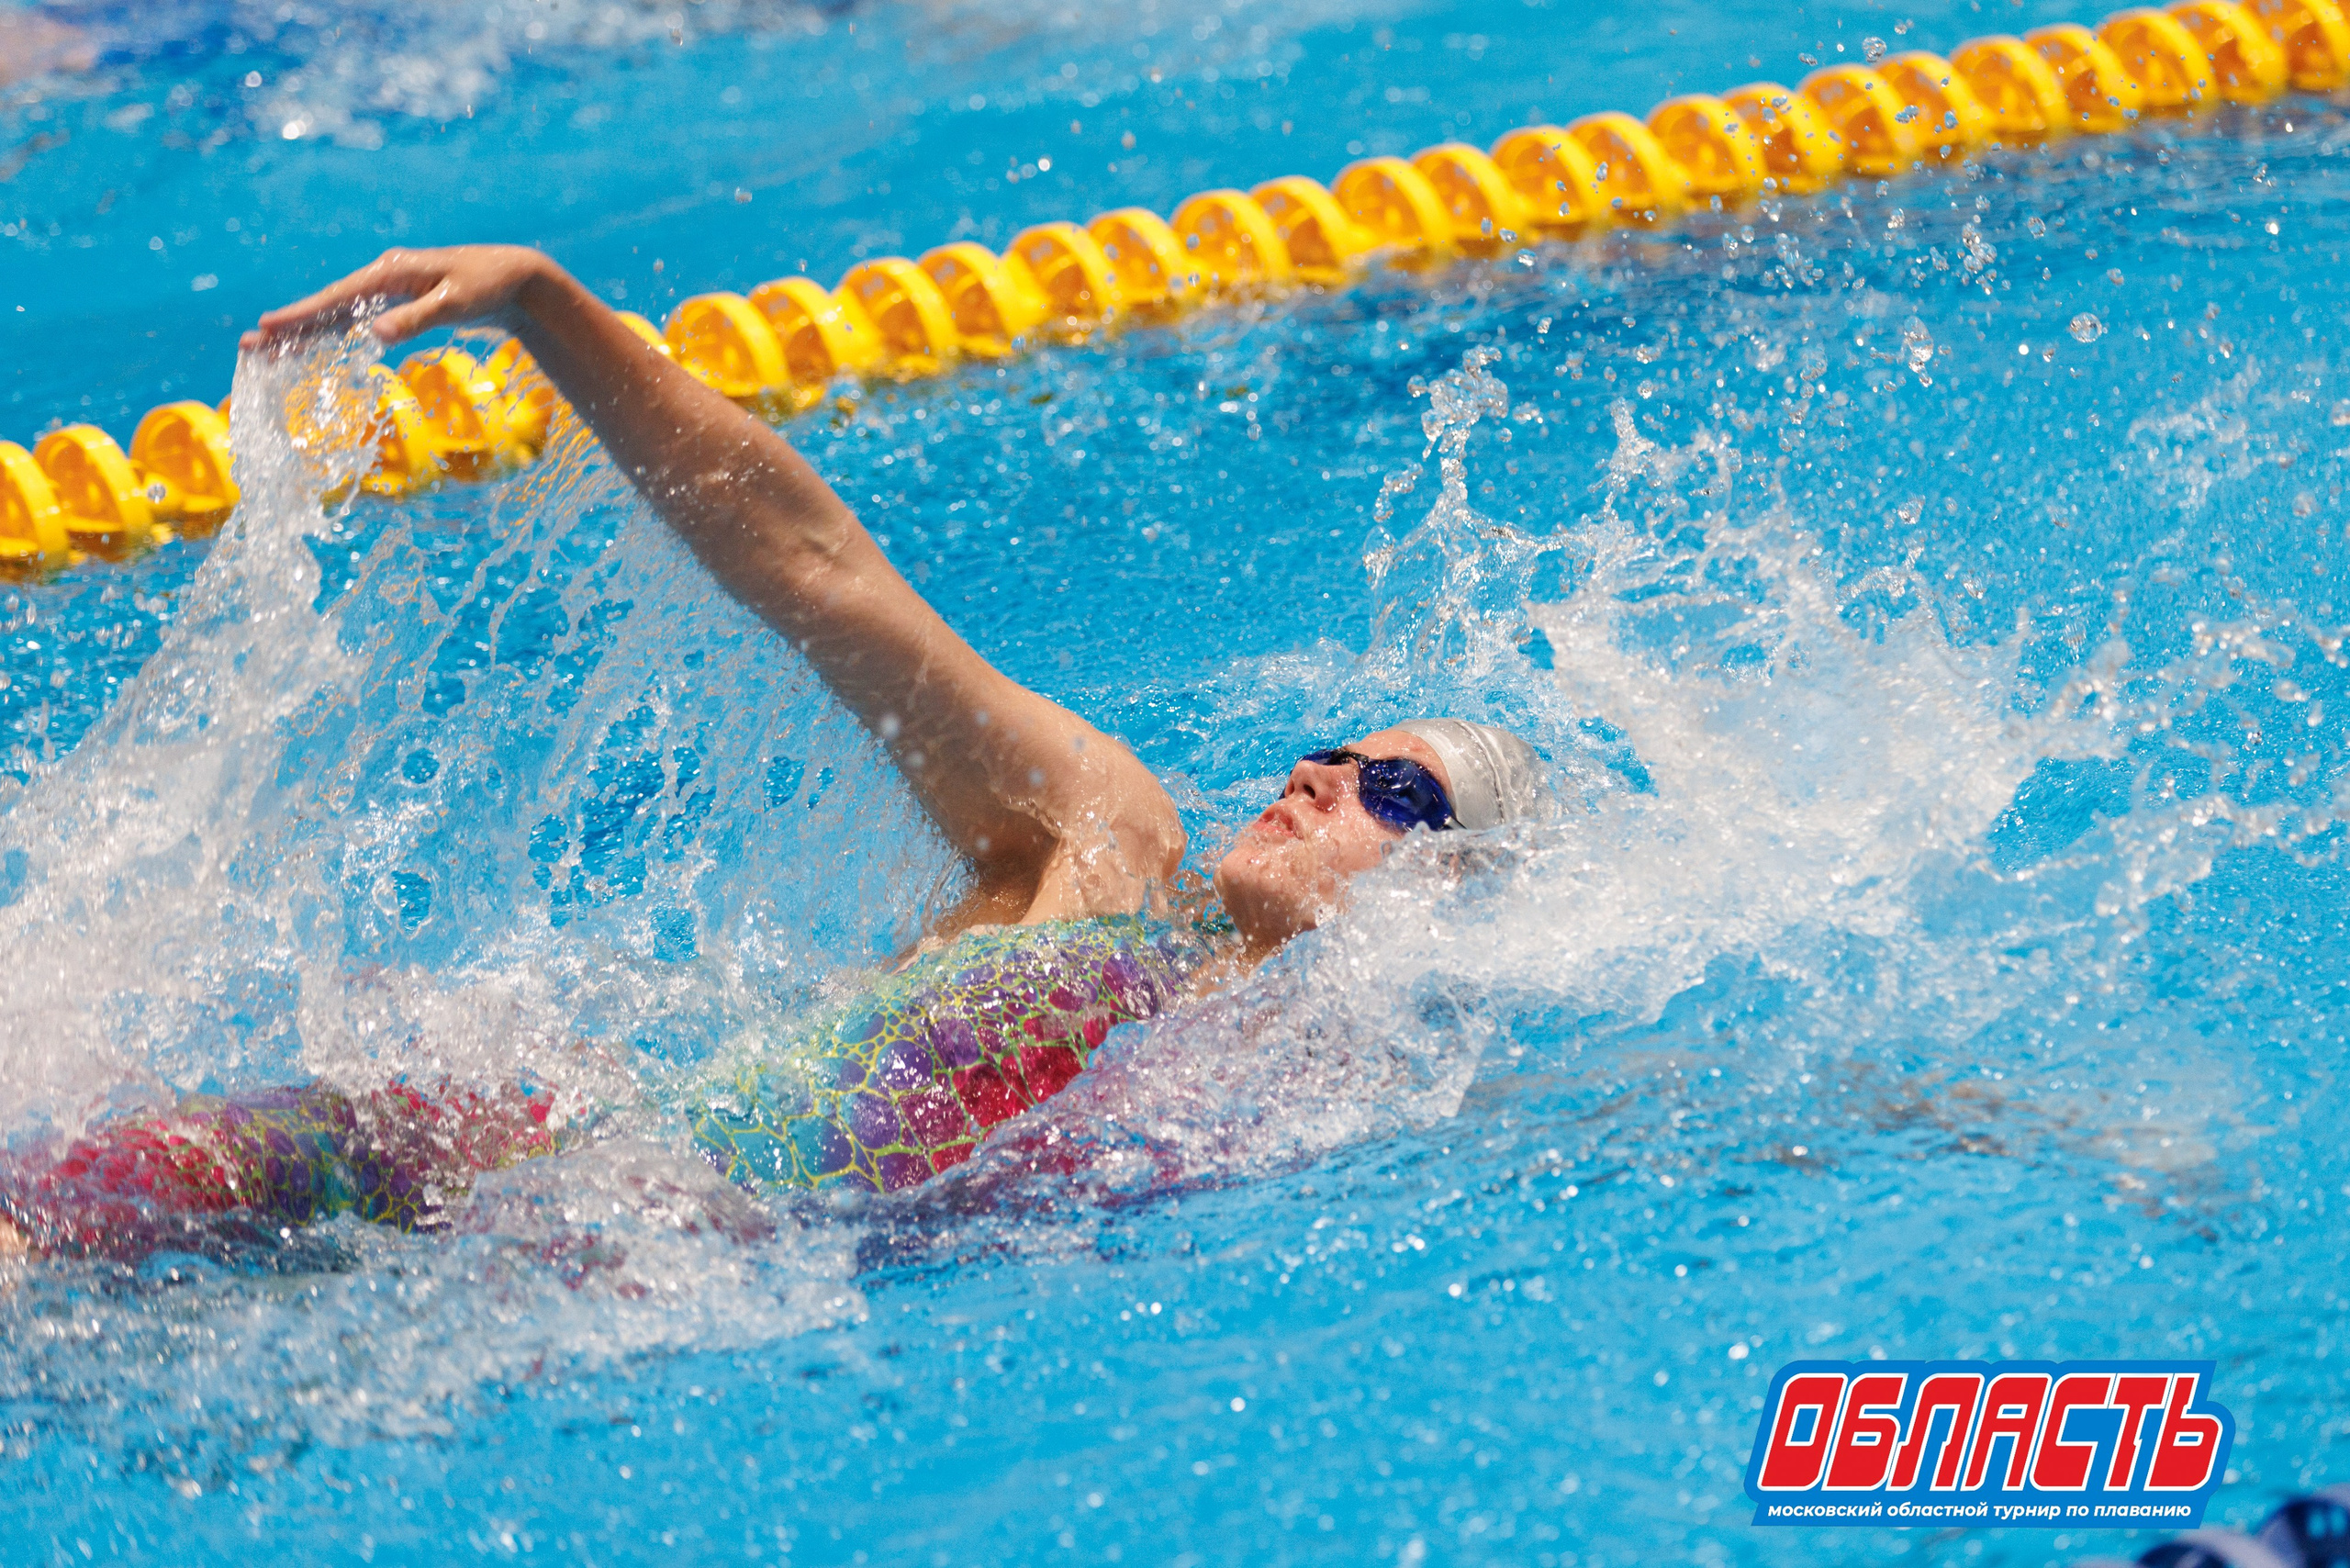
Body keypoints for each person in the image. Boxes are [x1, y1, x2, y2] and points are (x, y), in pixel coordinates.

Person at [0, 246, 1545, 1262]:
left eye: (1394, 793)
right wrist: (547, 305)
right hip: (593, 1162)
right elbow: (823, 575)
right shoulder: (1104, 855)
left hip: (672, 1266)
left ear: (1456, 888)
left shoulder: (1341, 1090)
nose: (1320, 778)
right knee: (132, 1196)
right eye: (1330, 751)